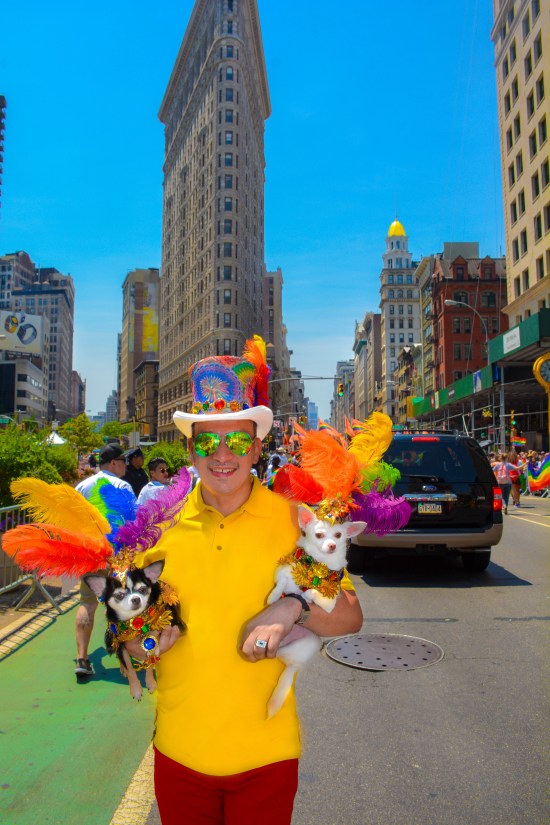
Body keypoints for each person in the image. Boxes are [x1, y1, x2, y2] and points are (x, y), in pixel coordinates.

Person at [126, 338, 362, 825]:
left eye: (236, 441)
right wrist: (142, 638)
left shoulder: (294, 521)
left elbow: (348, 618)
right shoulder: (157, 526)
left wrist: (290, 606)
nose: (222, 456)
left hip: (266, 758)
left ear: (256, 446)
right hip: (179, 753)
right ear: (190, 449)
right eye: (207, 442)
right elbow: (127, 626)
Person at [73, 444, 137, 676]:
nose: (125, 466)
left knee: (87, 603)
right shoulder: (123, 486)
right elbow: (133, 521)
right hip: (117, 554)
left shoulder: (82, 486)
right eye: (122, 461)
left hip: (90, 552)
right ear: (113, 463)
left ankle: (82, 658)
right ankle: (125, 659)